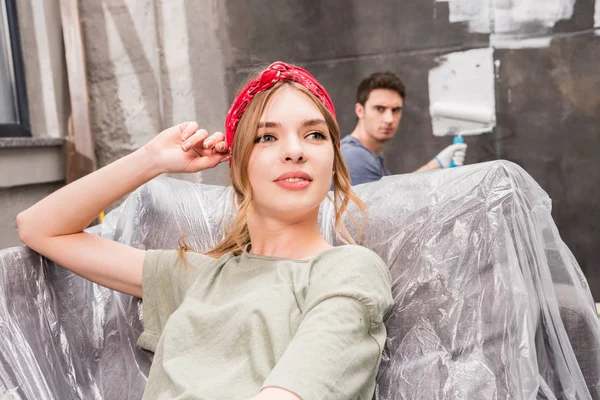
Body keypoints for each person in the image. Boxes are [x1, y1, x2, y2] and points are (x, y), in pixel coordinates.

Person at [16, 62, 394, 400]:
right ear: (239, 166)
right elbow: (38, 228)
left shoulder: (349, 270)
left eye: (314, 135)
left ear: (333, 163)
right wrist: (151, 160)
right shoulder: (198, 276)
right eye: (267, 137)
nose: (295, 151)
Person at [342, 71, 468, 185]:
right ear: (360, 110)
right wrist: (435, 166)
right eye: (380, 109)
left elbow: (391, 194)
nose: (389, 119)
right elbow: (387, 206)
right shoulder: (354, 156)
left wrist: (436, 165)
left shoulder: (371, 156)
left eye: (395, 110)